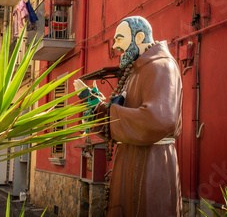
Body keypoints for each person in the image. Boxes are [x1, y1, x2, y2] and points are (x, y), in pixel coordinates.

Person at [74, 16, 183, 216]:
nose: (115, 46)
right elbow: (121, 110)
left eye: (119, 39)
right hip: (128, 159)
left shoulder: (161, 66)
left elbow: (159, 120)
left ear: (139, 37)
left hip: (150, 163)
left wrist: (109, 111)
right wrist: (94, 104)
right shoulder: (135, 70)